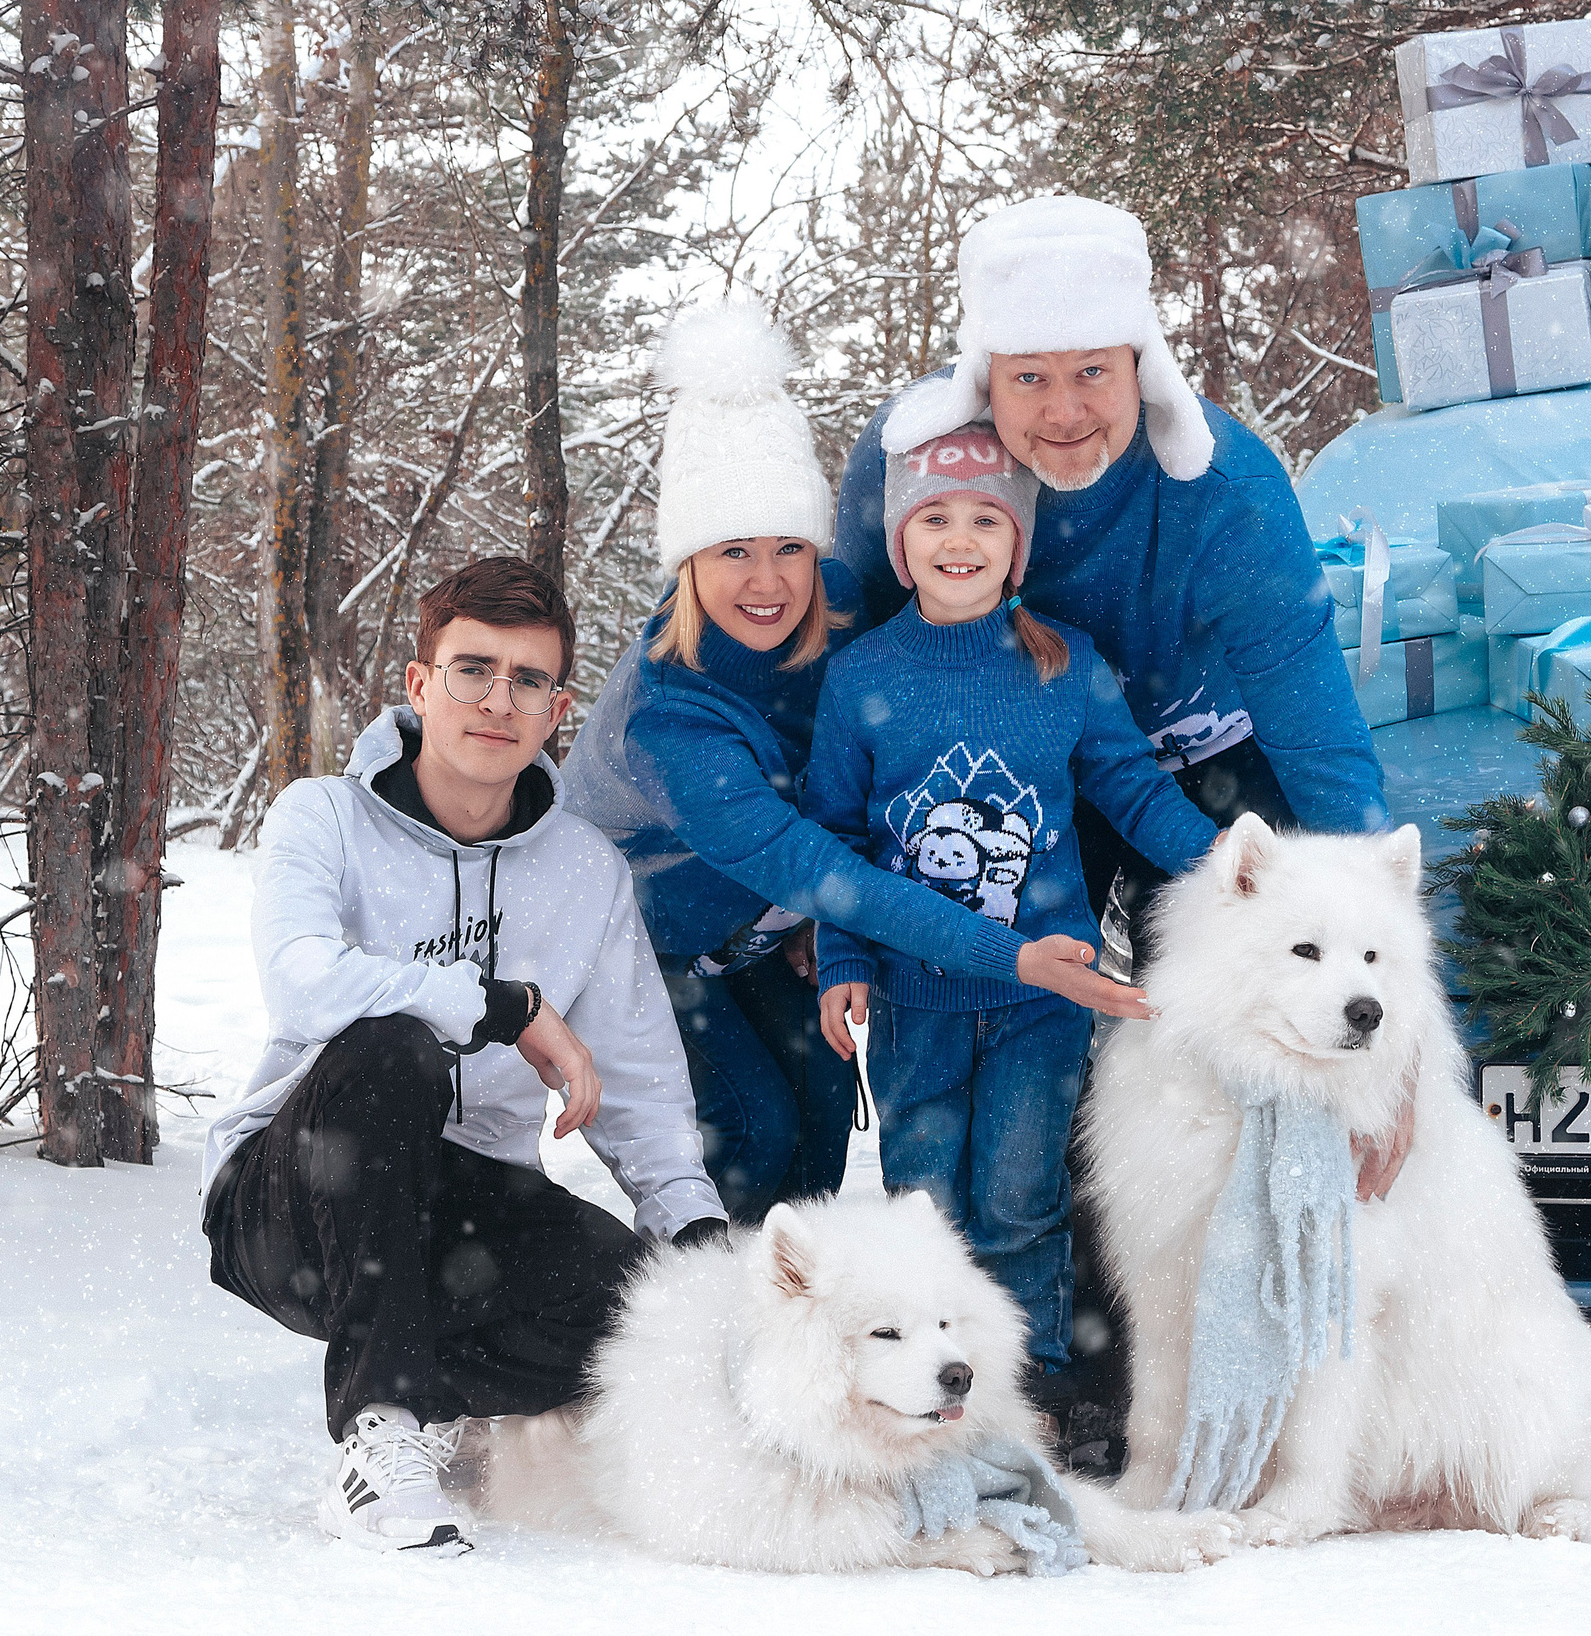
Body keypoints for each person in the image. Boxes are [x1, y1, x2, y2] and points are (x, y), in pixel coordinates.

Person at [833, 195, 1410, 1433]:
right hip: (1009, 759)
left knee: (1213, 1021)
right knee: (1007, 1033)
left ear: (1138, 362)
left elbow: (1316, 725)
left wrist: (1386, 994)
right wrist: (819, 888)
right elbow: (846, 656)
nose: (1063, 410)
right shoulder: (918, 469)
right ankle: (1012, 1354)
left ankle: (1218, 1335)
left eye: (1090, 371)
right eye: (1028, 376)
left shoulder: (1224, 486)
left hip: (1197, 771)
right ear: (984, 375)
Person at [562, 302, 1151, 1224]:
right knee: (752, 1134)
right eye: (732, 551)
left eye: (789, 548)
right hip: (642, 940)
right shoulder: (669, 720)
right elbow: (821, 867)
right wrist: (1015, 957)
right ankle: (703, 1297)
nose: (768, 582)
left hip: (761, 922)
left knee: (825, 1112)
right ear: (688, 564)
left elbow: (939, 616)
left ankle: (803, 1294)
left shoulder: (837, 608)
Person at [202, 556, 722, 1557]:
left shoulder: (584, 869)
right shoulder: (324, 816)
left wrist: (695, 1240)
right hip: (292, 1201)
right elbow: (305, 981)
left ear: (557, 708)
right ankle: (380, 1427)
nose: (497, 700)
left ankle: (429, 1398)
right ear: (419, 683)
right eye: (472, 669)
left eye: (528, 680)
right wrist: (500, 1006)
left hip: (461, 1209)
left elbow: (642, 1084)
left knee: (640, 1314)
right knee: (394, 1046)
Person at [801, 423, 1223, 1417]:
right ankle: (941, 1407)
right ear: (901, 543)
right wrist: (841, 959)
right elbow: (837, 839)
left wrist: (1235, 864)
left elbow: (1134, 791)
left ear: (1017, 544)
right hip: (913, 1000)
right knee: (927, 1210)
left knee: (1019, 1199)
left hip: (1044, 1001)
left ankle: (1034, 1401)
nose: (960, 538)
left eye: (986, 518)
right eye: (934, 518)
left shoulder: (1065, 664)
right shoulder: (862, 676)